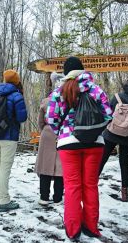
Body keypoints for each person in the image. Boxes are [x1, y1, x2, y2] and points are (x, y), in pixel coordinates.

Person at [46, 57, 112, 241]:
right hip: (95, 143)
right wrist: (95, 131)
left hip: (68, 144)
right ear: (83, 71)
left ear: (66, 73)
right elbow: (108, 115)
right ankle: (91, 227)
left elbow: (51, 118)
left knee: (73, 186)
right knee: (90, 185)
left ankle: (73, 229)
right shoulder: (96, 89)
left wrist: (62, 132)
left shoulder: (60, 91)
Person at [0, 69, 27, 212]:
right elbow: (22, 117)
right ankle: (4, 201)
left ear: (4, 80)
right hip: (9, 137)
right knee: (4, 169)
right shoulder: (16, 96)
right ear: (16, 81)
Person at [99, 77, 128, 202]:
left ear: (126, 84)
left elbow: (108, 113)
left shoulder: (117, 96)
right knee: (124, 164)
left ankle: (91, 186)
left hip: (111, 133)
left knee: (102, 160)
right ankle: (124, 192)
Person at [35, 73, 64, 206]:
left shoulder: (46, 101)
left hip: (47, 133)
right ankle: (58, 197)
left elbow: (40, 122)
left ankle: (44, 197)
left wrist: (46, 130)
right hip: (63, 133)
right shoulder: (67, 101)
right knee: (60, 167)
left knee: (45, 166)